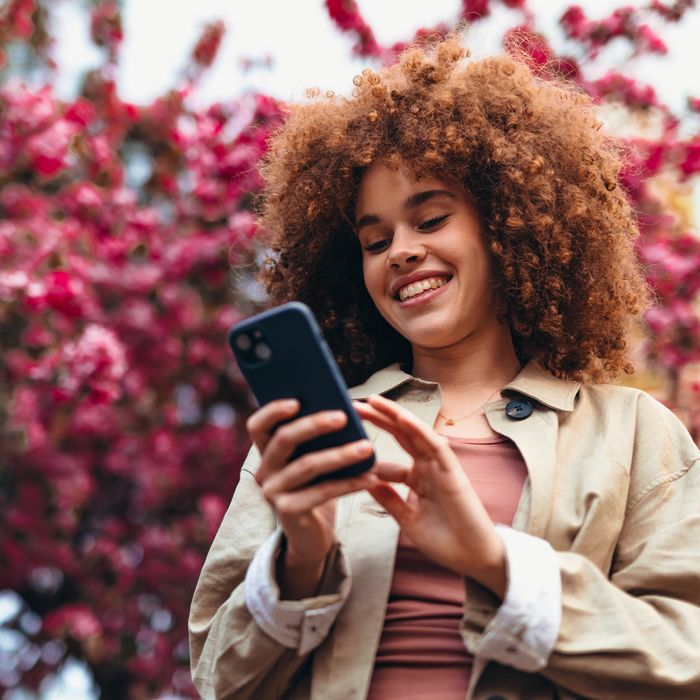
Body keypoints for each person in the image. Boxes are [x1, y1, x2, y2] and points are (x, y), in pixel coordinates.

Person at [188, 37, 700, 700]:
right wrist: (300, 562)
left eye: (430, 218)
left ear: (506, 227)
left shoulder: (635, 436)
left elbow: (685, 654)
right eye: (375, 241)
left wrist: (493, 561)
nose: (401, 252)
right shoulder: (311, 436)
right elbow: (217, 680)